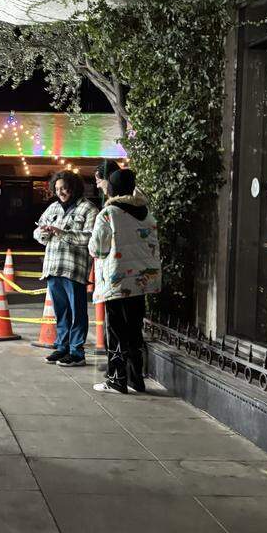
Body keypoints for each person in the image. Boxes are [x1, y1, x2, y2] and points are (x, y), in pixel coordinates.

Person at [88, 168, 162, 393]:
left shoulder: (109, 213)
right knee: (133, 329)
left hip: (117, 281)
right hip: (141, 281)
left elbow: (97, 248)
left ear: (112, 188)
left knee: (116, 331)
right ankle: (135, 379)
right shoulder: (146, 212)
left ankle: (117, 380)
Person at [34, 170, 100, 366]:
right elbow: (37, 232)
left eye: (64, 188)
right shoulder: (53, 207)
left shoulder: (89, 209)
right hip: (53, 267)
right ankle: (62, 347)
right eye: (57, 189)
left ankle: (77, 352)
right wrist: (44, 233)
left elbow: (90, 237)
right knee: (61, 311)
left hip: (74, 269)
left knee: (77, 311)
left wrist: (62, 233)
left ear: (74, 187)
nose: (61, 192)